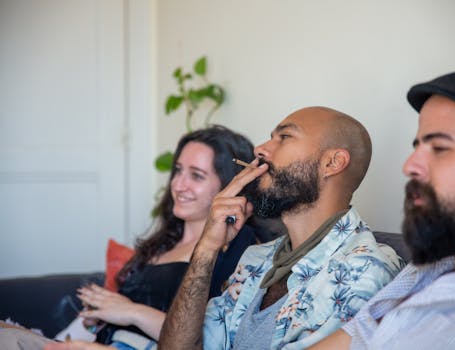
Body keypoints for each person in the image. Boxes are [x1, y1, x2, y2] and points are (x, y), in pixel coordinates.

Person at [310, 67, 455, 349]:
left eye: (439, 148)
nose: (409, 166)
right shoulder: (434, 265)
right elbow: (356, 334)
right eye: (418, 146)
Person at [156, 106, 404, 350]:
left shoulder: (365, 269)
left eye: (284, 137)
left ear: (333, 163)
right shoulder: (256, 259)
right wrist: (207, 247)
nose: (260, 149)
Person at [0, 125, 259, 350]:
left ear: (229, 185)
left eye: (196, 176)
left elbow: (211, 340)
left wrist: (131, 312)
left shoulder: (233, 247)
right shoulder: (163, 242)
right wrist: (93, 321)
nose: (178, 185)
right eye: (178, 170)